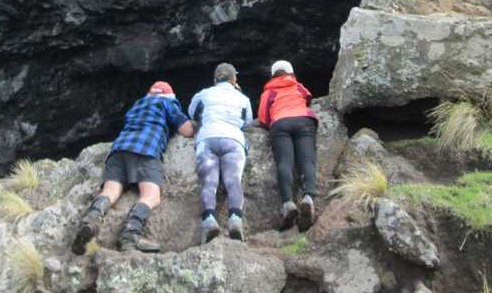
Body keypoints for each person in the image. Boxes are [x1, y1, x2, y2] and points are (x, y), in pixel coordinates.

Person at [71, 81, 194, 255]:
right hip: (146, 150)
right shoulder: (167, 103)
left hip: (118, 151)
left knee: (110, 192)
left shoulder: (137, 105)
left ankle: (90, 222)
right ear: (168, 95)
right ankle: (130, 236)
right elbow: (187, 130)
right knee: (151, 195)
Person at [188, 63, 253, 244]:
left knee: (209, 181)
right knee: (233, 180)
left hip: (207, 138)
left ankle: (209, 219)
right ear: (234, 80)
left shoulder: (204, 94)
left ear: (215, 79)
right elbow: (247, 122)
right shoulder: (243, 99)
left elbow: (192, 113)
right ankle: (235, 220)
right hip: (233, 139)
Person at [257, 60, 318, 232]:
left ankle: (288, 203)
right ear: (290, 73)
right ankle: (308, 198)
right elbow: (308, 98)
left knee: (284, 162)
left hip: (280, 124)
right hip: (303, 120)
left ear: (273, 75)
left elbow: (263, 118)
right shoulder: (298, 86)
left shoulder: (268, 92)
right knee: (307, 160)